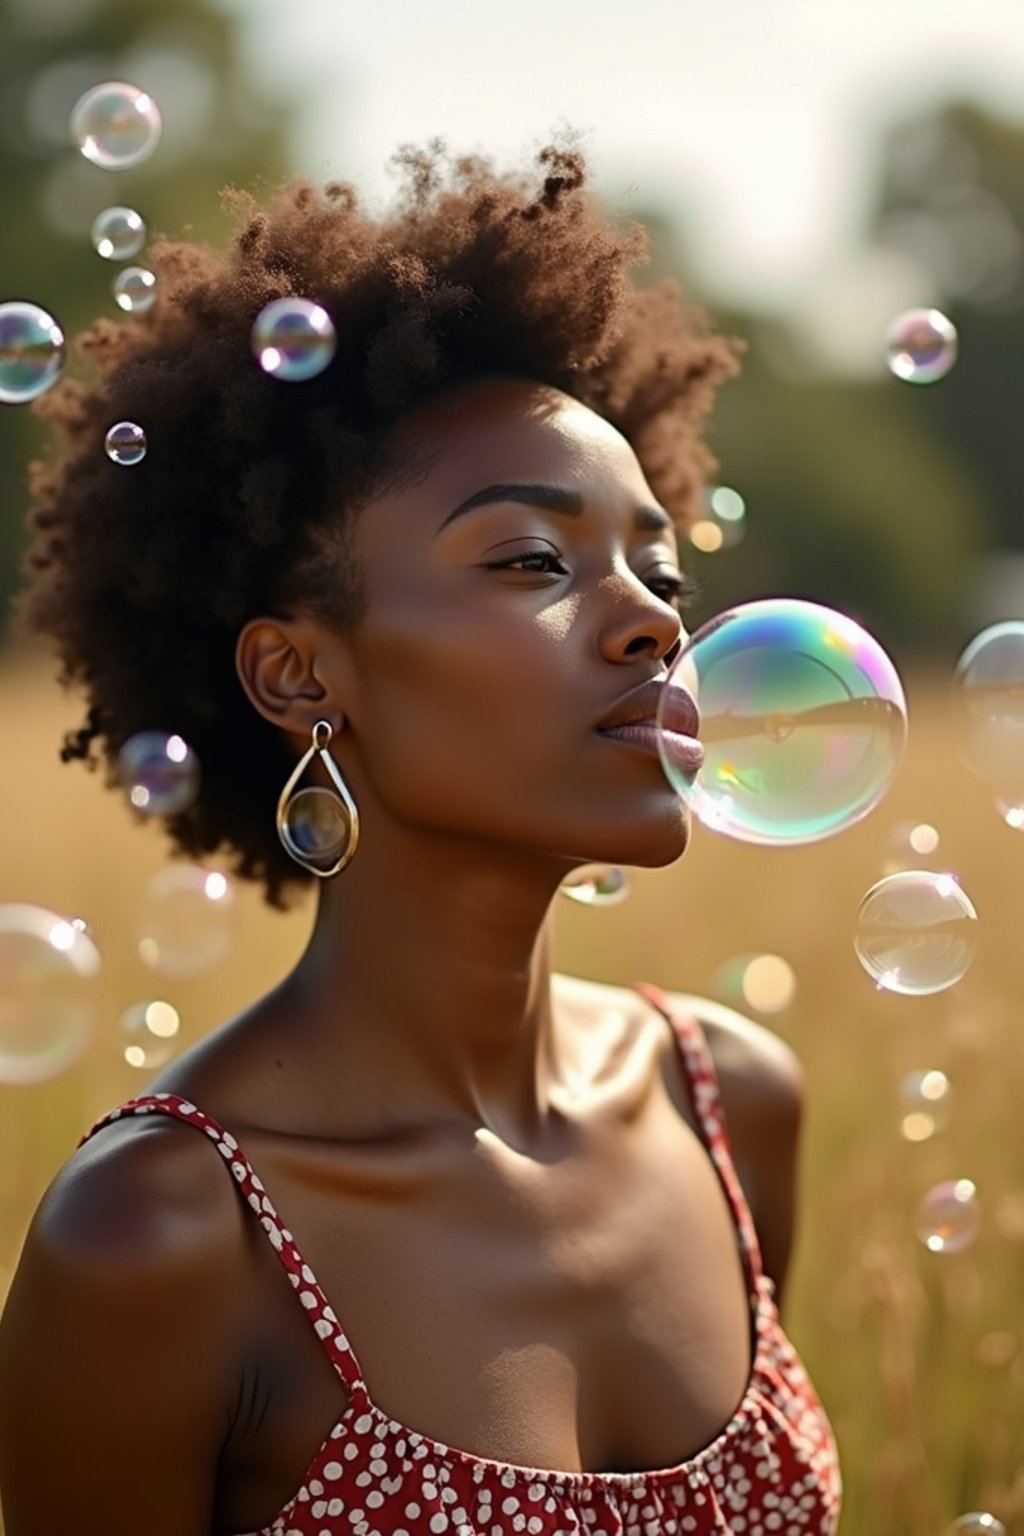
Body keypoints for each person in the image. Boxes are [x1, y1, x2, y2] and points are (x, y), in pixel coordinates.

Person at [0, 133, 842, 1536]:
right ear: (300, 673)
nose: (651, 619)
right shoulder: (165, 1237)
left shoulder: (730, 1107)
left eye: (661, 567)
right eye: (529, 560)